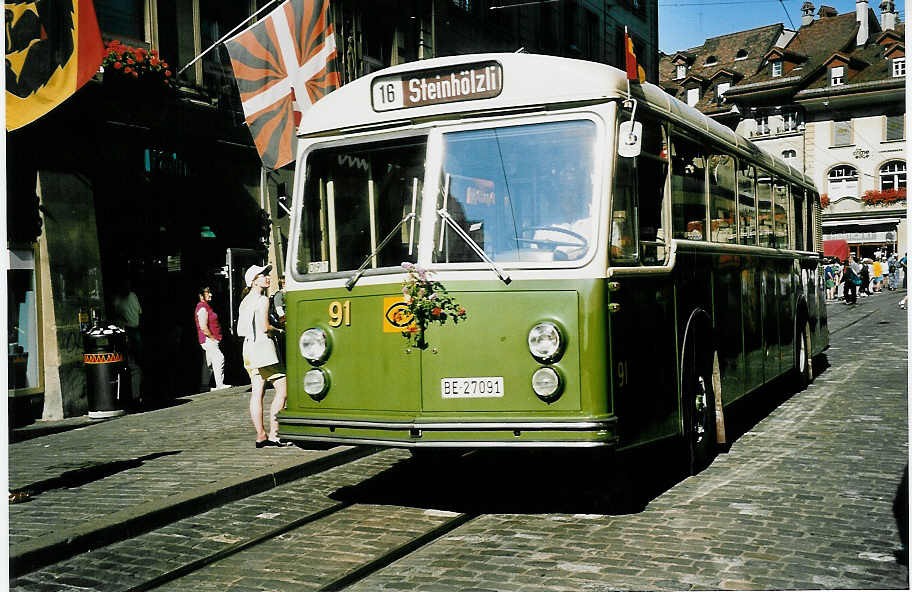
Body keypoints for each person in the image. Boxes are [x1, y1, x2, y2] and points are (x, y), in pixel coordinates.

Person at [237, 265, 289, 448]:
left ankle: (260, 435)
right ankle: (275, 434)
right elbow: (265, 327)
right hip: (264, 350)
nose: (267, 277)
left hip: (249, 350)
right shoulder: (263, 300)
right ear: (253, 281)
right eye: (263, 275)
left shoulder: (244, 302)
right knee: (283, 390)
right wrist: (279, 331)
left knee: (257, 392)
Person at [112, 278, 142, 405]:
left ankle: (133, 395)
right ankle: (135, 396)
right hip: (132, 330)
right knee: (134, 365)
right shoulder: (130, 296)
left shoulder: (121, 298)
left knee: (132, 364)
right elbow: (139, 312)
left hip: (129, 331)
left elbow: (117, 315)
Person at [196, 286, 231, 391]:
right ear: (201, 296)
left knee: (208, 362)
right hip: (208, 339)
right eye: (208, 293)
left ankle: (204, 386)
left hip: (209, 339)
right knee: (219, 358)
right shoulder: (202, 308)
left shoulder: (206, 307)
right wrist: (212, 338)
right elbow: (203, 326)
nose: (210, 294)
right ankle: (220, 384)